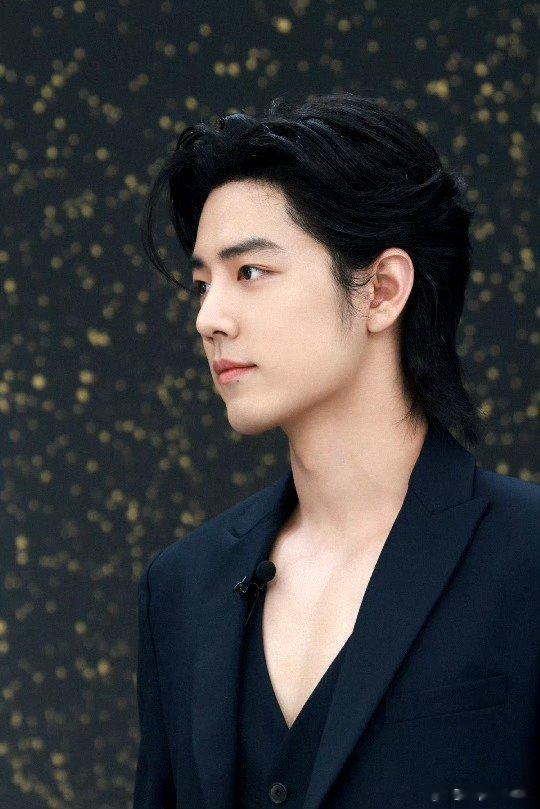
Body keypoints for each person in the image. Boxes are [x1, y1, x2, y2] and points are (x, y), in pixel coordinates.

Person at [133, 92, 539, 808]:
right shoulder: (182, 586)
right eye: (201, 284)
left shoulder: (528, 556)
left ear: (382, 290)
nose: (209, 318)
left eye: (249, 272)